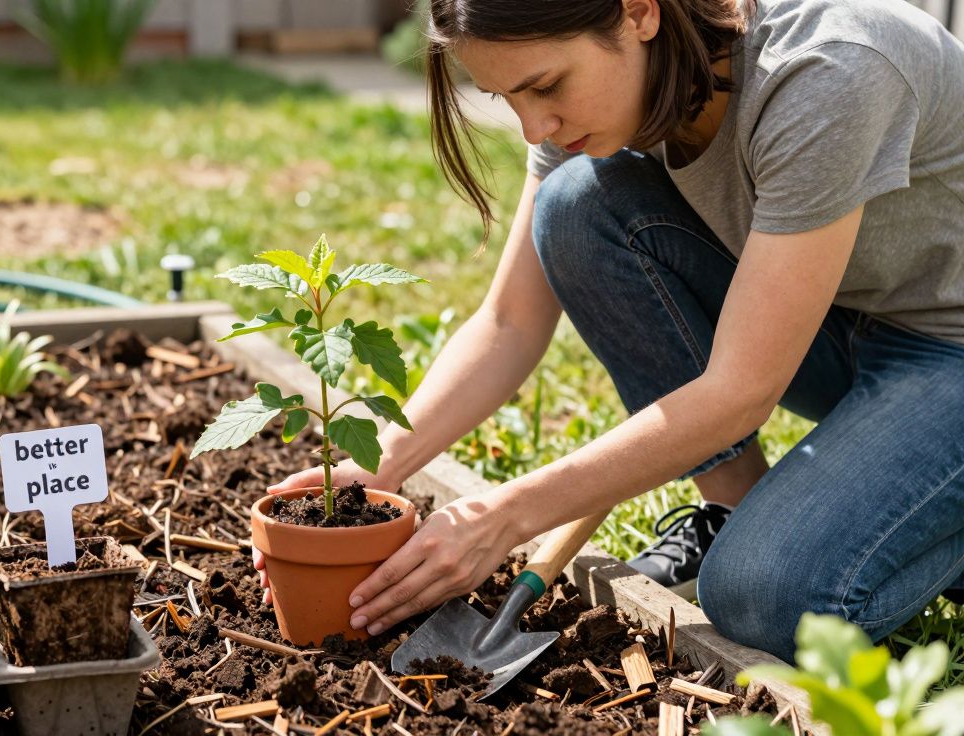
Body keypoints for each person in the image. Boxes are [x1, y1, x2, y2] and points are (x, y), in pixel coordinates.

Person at [260, 0, 964, 662]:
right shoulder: (604, 104)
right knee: (575, 205)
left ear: (639, 11)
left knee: (764, 595)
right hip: (846, 322)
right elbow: (509, 323)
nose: (535, 129)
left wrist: (503, 516)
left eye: (546, 86)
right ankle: (737, 510)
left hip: (949, 350)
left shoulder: (828, 75)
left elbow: (741, 391)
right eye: (509, 100)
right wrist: (376, 466)